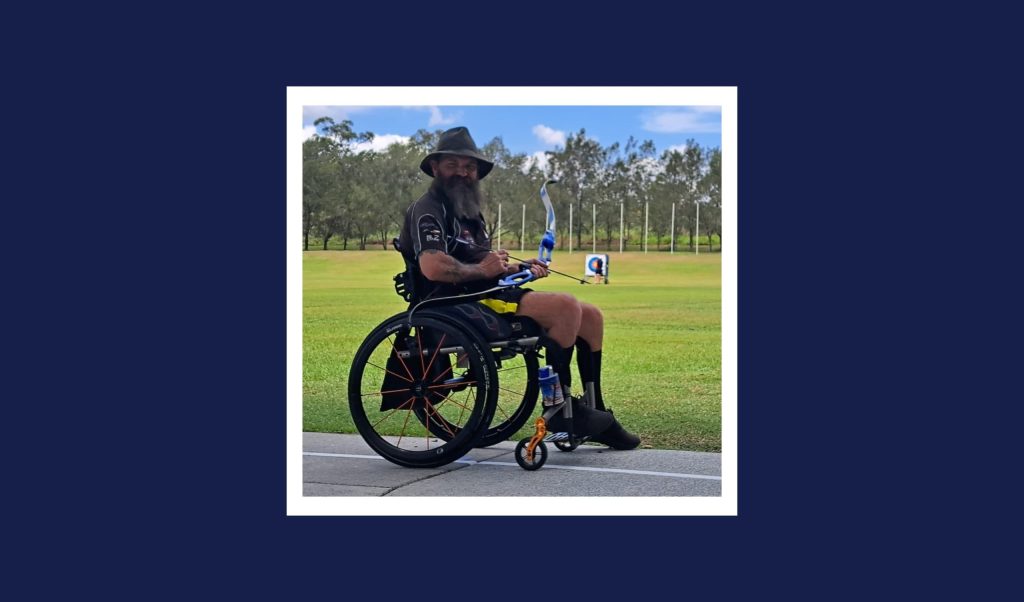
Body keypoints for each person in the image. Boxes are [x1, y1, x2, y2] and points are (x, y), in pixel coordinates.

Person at [398, 126, 640, 449]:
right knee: (566, 307)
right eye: (454, 165)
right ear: (435, 168)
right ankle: (559, 408)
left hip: (486, 295)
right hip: (455, 303)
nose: (463, 173)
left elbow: (484, 264)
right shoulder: (429, 209)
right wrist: (484, 269)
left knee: (592, 316)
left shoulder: (470, 214)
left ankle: (595, 411)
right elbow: (432, 266)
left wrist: (517, 268)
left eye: (469, 167)